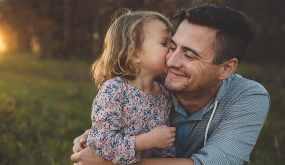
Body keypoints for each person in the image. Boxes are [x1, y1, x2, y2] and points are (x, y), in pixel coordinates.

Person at [71, 4, 270, 165]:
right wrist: (90, 138)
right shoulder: (151, 81)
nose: (172, 61)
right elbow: (107, 132)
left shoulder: (248, 96)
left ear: (226, 69)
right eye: (171, 46)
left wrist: (109, 162)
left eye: (190, 55)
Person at [82, 9, 177, 165]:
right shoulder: (114, 90)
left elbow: (164, 147)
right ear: (134, 54)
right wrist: (149, 140)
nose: (172, 49)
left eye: (171, 43)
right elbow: (101, 142)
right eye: (164, 43)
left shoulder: (164, 95)